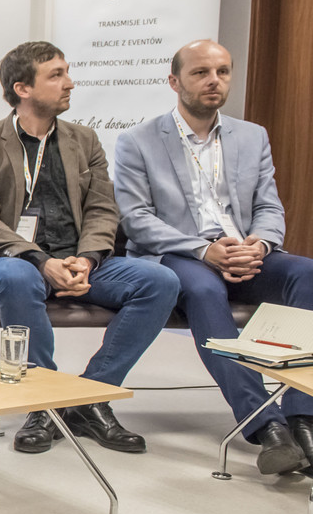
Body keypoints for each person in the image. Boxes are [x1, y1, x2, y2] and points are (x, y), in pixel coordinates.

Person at [0, 42, 179, 454]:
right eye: (56, 75)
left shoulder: (84, 139)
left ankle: (91, 398)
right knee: (17, 278)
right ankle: (43, 403)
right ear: (22, 88)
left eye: (66, 72)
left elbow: (102, 209)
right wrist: (41, 261)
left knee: (160, 281)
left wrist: (88, 259)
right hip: (10, 259)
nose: (69, 83)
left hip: (78, 259)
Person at [114, 39, 313, 475]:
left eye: (222, 72)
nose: (214, 81)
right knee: (204, 290)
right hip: (178, 253)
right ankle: (266, 425)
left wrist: (259, 244)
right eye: (201, 72)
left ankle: (303, 416)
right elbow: (137, 219)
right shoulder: (137, 141)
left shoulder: (252, 135)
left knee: (306, 274)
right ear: (174, 81)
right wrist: (204, 250)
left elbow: (269, 205)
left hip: (243, 251)